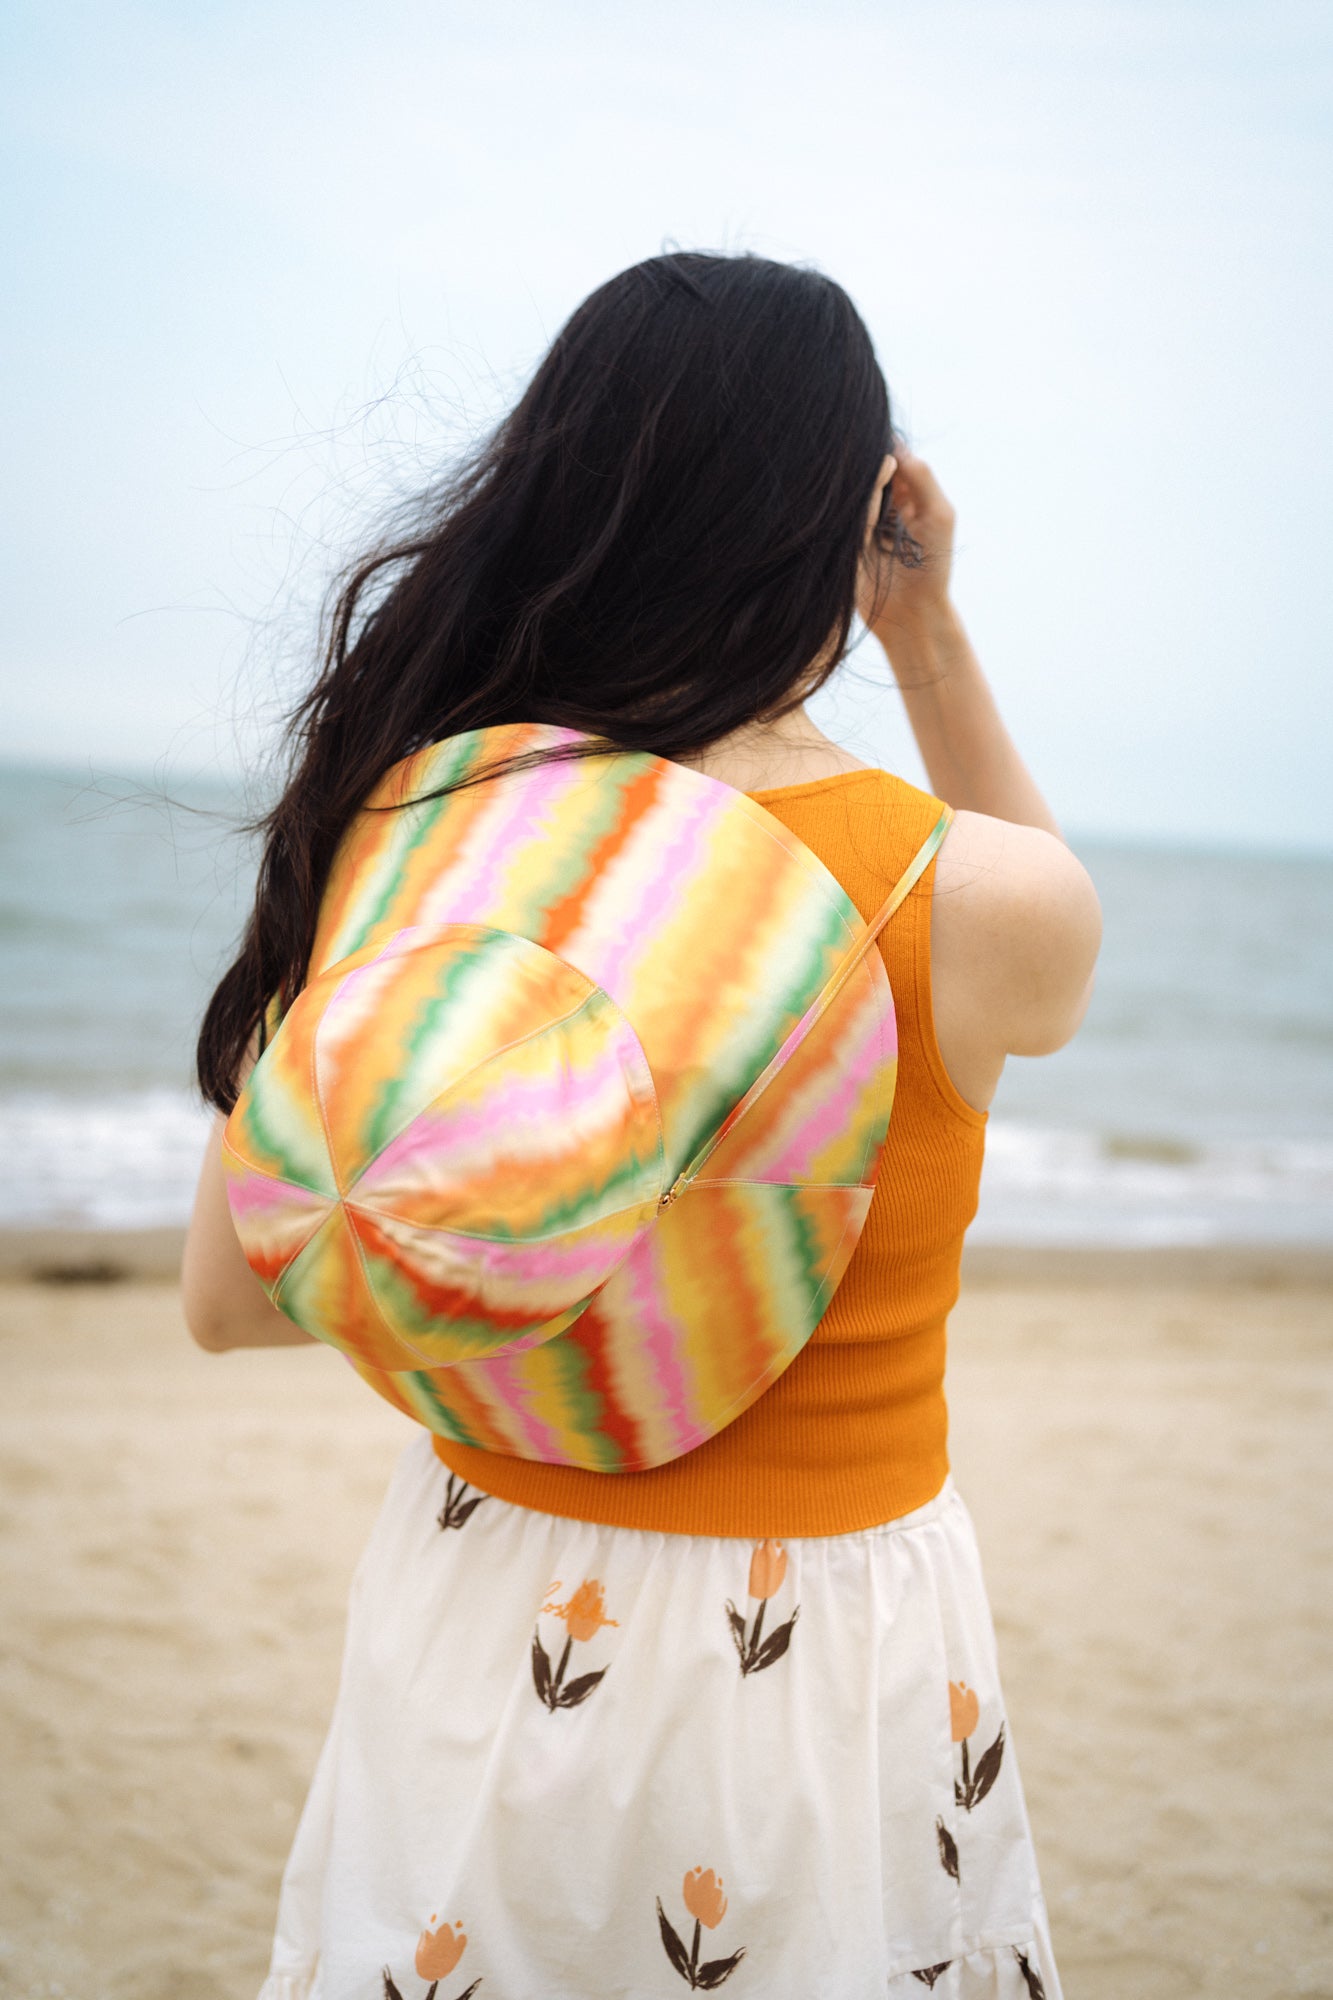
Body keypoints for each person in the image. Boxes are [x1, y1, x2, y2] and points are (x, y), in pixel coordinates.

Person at [183, 252, 1101, 2000]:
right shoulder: (971, 899)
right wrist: (928, 634)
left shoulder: (416, 816)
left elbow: (227, 1298)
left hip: (477, 1607)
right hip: (811, 1633)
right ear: (848, 522)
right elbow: (1056, 948)